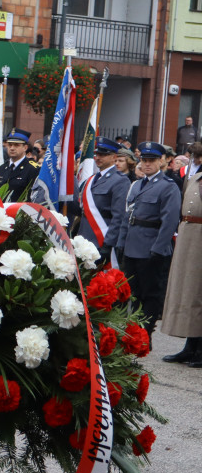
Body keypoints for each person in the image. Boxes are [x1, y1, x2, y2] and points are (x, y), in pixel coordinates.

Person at [115, 142, 181, 339]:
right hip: (132, 245)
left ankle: (145, 334)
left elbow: (169, 221)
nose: (147, 164)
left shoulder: (168, 187)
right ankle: (134, 331)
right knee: (133, 293)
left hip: (151, 246)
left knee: (150, 293)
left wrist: (158, 249)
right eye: (144, 160)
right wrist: (121, 242)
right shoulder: (137, 185)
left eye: (152, 160)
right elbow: (128, 216)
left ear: (162, 161)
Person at [160, 158, 202, 367]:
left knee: (199, 292)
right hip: (188, 236)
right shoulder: (194, 178)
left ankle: (200, 348)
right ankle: (190, 346)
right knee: (187, 291)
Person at [77, 137, 130, 256]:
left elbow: (119, 216)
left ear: (114, 157)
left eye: (103, 155)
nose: (98, 158)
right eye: (97, 154)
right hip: (84, 237)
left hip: (101, 237)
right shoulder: (92, 179)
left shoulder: (120, 181)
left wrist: (108, 243)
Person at [0, 128, 39, 200]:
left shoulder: (33, 169)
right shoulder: (2, 168)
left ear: (25, 147)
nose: (12, 148)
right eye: (10, 145)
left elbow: (33, 196)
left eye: (16, 145)